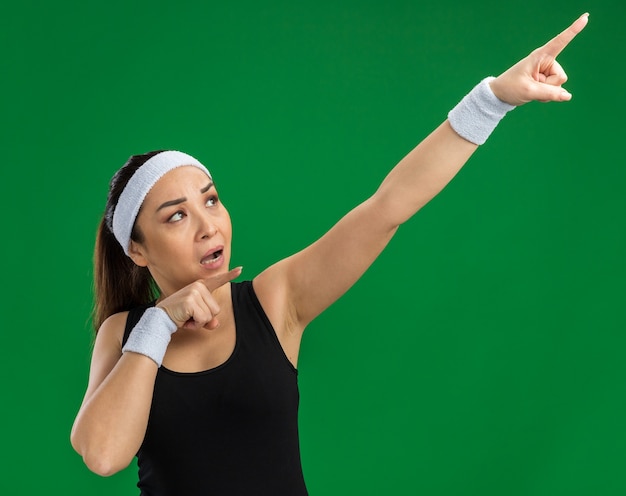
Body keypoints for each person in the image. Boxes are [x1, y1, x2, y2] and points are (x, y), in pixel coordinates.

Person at [70, 13, 589, 495]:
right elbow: (103, 454)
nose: (209, 224)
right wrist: (159, 325)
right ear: (136, 249)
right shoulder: (128, 334)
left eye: (211, 199)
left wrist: (492, 99)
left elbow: (387, 208)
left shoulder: (276, 301)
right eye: (177, 215)